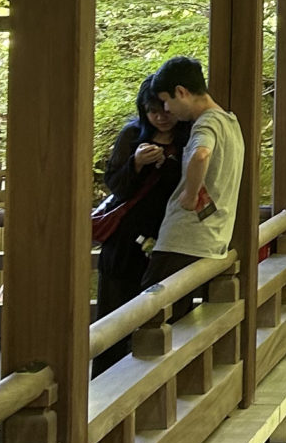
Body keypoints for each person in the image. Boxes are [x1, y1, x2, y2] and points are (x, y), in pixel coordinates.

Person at [93, 81, 189, 366]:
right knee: (115, 313)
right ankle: (106, 378)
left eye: (165, 110)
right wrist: (135, 163)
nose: (160, 117)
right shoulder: (132, 135)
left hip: (169, 238)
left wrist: (169, 164)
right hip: (125, 241)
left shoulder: (190, 137)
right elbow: (115, 185)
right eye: (152, 111)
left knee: (161, 313)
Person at [137, 56, 244, 301]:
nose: (166, 109)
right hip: (212, 238)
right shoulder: (230, 122)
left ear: (181, 92)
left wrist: (190, 194)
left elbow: (200, 154)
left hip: (183, 238)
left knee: (149, 308)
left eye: (166, 101)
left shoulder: (206, 123)